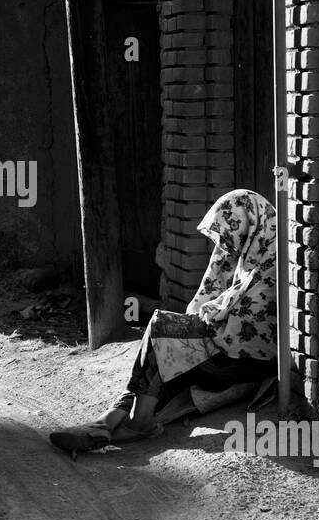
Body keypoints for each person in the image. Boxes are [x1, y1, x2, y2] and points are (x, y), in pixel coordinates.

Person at [49, 189, 279, 453]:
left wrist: (189, 332)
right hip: (224, 353)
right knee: (165, 356)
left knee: (163, 332)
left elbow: (236, 335)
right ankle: (113, 419)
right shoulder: (252, 254)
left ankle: (125, 421)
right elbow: (210, 297)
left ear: (250, 223)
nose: (226, 243)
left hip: (246, 363)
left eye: (231, 231)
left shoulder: (270, 266)